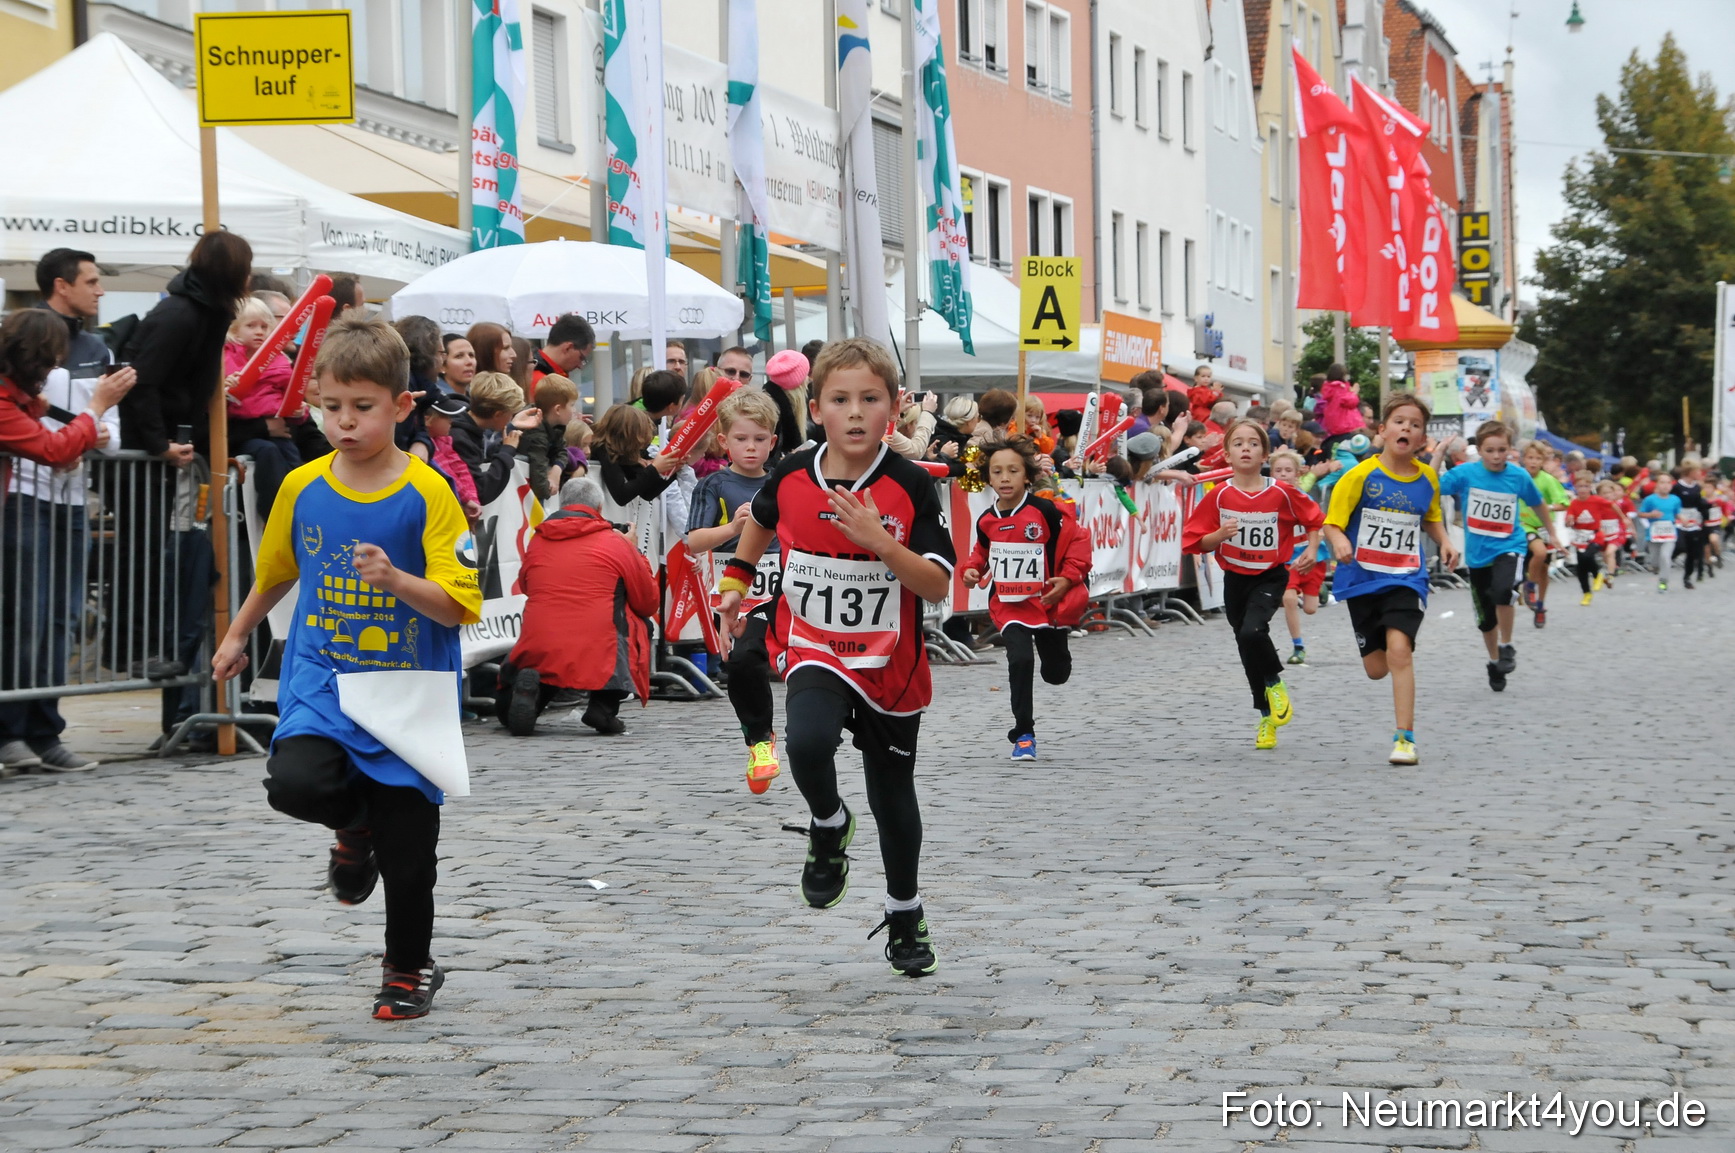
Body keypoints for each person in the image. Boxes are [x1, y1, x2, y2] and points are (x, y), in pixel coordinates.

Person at [211, 316, 482, 1021]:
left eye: (362, 407)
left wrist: (396, 581)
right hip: (323, 677)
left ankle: (405, 969)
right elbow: (274, 573)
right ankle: (352, 830)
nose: (344, 422)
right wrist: (237, 634)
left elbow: (458, 607)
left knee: (410, 852)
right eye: (331, 407)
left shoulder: (428, 492)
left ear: (401, 405)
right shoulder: (302, 486)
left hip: (406, 692)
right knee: (294, 783)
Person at [717, 337, 955, 979]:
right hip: (815, 644)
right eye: (840, 400)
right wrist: (737, 579)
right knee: (806, 743)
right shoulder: (794, 471)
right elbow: (761, 520)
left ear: (894, 408)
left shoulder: (911, 484)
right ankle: (828, 824)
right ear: (816, 407)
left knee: (893, 795)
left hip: (890, 664)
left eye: (870, 400)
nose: (855, 413)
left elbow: (937, 585)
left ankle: (905, 912)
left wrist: (879, 541)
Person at [0, 309, 133, 775]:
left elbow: (52, 432)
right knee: (26, 619)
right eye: (53, 356)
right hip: (25, 505)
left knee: (62, 617)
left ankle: (43, 730)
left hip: (64, 504)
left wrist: (81, 432)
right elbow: (52, 446)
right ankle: (11, 730)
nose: (59, 364)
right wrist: (95, 406)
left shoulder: (19, 396)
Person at [1322, 393, 1459, 765]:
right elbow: (1332, 522)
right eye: (1400, 421)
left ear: (1421, 439)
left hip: (1405, 576)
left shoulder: (1427, 476)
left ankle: (1405, 739)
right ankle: (1379, 646)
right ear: (1382, 431)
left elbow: (1430, 516)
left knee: (1400, 650)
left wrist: (1444, 540)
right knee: (1376, 669)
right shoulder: (1360, 475)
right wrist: (1338, 543)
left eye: (1415, 425)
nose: (1407, 428)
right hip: (1363, 577)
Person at [1184, 419, 1323, 750]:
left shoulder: (1281, 492)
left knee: (1252, 632)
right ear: (1227, 454)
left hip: (1271, 575)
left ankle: (1275, 682)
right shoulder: (1219, 495)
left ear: (1265, 454)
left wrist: (1314, 549)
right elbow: (1196, 541)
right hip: (1235, 578)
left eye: (1253, 443)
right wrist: (1219, 536)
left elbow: (1314, 518)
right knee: (1247, 648)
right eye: (1238, 443)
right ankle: (1265, 718)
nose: (1246, 448)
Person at [958, 436, 1089, 762]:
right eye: (997, 471)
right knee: (1020, 660)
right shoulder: (987, 519)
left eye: (1012, 471)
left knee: (1055, 673)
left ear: (1027, 476)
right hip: (1008, 603)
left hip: (1046, 603)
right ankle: (1024, 733)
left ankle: (1059, 651)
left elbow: (1077, 543)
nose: (1004, 478)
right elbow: (981, 552)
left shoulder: (1045, 510)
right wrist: (972, 570)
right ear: (988, 477)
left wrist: (1068, 578)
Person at [496, 477, 657, 736]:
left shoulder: (538, 540)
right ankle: (603, 706)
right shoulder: (617, 544)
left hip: (540, 644)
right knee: (640, 623)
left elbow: (526, 586)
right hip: (599, 649)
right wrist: (634, 551)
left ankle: (529, 696)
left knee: (546, 668)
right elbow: (647, 602)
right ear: (600, 509)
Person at [686, 390, 786, 790]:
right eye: (742, 439)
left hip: (783, 588)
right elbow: (693, 541)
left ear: (772, 442)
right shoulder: (713, 485)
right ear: (724, 441)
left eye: (760, 439)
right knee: (743, 664)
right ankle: (760, 741)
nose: (751, 447)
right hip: (735, 592)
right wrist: (732, 529)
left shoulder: (784, 482)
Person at [1435, 421, 1557, 693]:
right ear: (1479, 450)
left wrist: (1552, 533)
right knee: (1486, 619)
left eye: (1502, 450)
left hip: (1509, 545)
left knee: (1504, 591)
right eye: (1490, 450)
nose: (1496, 456)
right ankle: (1493, 661)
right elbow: (1431, 486)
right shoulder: (1465, 474)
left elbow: (1537, 503)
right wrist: (1436, 455)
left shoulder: (1518, 476)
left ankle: (1507, 646)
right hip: (1478, 555)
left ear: (1510, 449)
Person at [119, 230, 253, 464]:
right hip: (145, 447)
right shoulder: (180, 315)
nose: (250, 276)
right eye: (247, 267)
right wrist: (159, 444)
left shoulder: (207, 312)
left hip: (170, 436)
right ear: (231, 270)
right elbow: (142, 381)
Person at [223, 296, 307, 527]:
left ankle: (294, 506)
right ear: (235, 330)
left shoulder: (280, 361)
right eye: (251, 326)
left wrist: (298, 412)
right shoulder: (228, 359)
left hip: (277, 426)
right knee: (267, 452)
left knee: (292, 460)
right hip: (244, 433)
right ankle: (272, 511)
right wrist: (225, 388)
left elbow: (291, 396)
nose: (259, 332)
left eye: (264, 327)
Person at [1270, 449, 1325, 666]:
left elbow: (1319, 528)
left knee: (1310, 609)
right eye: (1278, 471)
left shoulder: (1305, 499)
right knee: (1289, 599)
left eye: (1288, 470)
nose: (1283, 474)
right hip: (1286, 560)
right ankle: (1298, 646)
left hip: (1312, 558)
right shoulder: (1268, 500)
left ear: (1297, 474)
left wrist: (1311, 550)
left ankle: (1320, 589)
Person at [449, 371, 536, 506]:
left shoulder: (466, 423)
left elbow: (486, 455)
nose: (510, 419)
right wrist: (507, 451)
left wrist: (511, 430)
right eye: (510, 415)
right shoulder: (460, 438)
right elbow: (481, 491)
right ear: (498, 414)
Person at [1517, 439, 1570, 624]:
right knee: (1538, 552)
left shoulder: (1548, 480)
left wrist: (1545, 507)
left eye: (1537, 458)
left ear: (1543, 461)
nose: (1533, 462)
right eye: (1530, 458)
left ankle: (1540, 605)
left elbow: (1563, 504)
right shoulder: (1517, 476)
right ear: (1523, 459)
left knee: (1544, 570)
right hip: (1523, 525)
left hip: (1543, 528)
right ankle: (1529, 586)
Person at [1565, 470, 1618, 606]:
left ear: (1591, 487)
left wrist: (1624, 518)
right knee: (1581, 567)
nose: (1583, 490)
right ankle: (1586, 593)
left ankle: (1598, 574)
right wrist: (1570, 520)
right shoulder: (1574, 503)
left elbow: (1612, 504)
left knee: (1588, 556)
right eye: (1580, 486)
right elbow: (1568, 520)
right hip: (1579, 537)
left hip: (1595, 535)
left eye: (1586, 486)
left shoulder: (1596, 500)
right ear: (1575, 487)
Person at [424, 394, 481, 519]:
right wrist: (466, 500)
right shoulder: (427, 446)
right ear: (427, 420)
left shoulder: (444, 440)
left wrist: (472, 498)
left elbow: (460, 468)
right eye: (445, 416)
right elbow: (446, 474)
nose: (451, 421)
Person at [1671, 460, 1712, 589]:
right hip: (1680, 518)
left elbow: (1699, 502)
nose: (1699, 474)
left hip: (1694, 520)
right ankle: (1668, 558)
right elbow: (1672, 501)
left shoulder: (1697, 487)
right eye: (1697, 471)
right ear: (1690, 472)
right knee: (1680, 545)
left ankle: (1687, 577)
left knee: (1692, 552)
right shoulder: (1677, 486)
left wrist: (1709, 506)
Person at [1638, 472, 1682, 591]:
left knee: (1665, 556)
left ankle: (1663, 581)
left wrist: (1684, 519)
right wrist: (1651, 514)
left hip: (1669, 534)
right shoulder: (1649, 499)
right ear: (1657, 484)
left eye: (1668, 483)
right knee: (1655, 561)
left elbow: (1677, 513)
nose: (1665, 485)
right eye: (1662, 482)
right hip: (1654, 534)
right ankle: (1656, 567)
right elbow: (1641, 514)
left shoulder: (1675, 499)